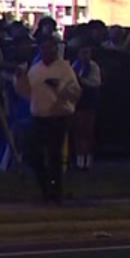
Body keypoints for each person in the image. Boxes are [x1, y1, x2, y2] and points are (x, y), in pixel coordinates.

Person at [20, 34, 81, 204]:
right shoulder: (36, 69)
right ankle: (45, 186)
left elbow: (75, 93)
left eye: (51, 47)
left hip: (58, 116)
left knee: (54, 156)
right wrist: (19, 79)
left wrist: (59, 87)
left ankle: (55, 193)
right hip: (39, 117)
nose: (47, 51)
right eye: (44, 48)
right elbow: (27, 92)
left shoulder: (64, 69)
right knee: (32, 154)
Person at [72, 44, 103, 171]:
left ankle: (87, 160)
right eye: (83, 52)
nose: (85, 56)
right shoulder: (75, 66)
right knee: (78, 132)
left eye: (87, 53)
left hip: (89, 102)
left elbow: (95, 83)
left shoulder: (93, 67)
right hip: (78, 102)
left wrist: (81, 81)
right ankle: (79, 160)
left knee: (87, 132)